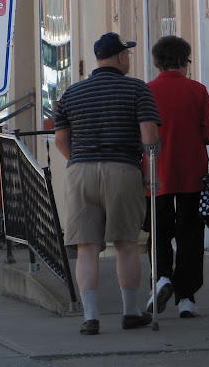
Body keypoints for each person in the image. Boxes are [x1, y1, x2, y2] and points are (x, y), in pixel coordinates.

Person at [54, 32, 160, 335]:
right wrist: (151, 172)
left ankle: (91, 317)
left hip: (80, 172)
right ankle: (130, 312)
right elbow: (149, 135)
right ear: (122, 57)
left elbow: (61, 139)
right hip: (122, 169)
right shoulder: (136, 89)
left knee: (87, 247)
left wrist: (80, 159)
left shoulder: (71, 93)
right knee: (126, 244)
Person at [145, 35, 209, 319]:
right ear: (181, 61)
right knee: (190, 232)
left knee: (159, 230)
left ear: (158, 62)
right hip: (192, 173)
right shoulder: (197, 90)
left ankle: (162, 277)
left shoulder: (146, 91)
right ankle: (186, 296)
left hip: (156, 173)